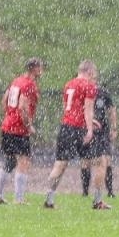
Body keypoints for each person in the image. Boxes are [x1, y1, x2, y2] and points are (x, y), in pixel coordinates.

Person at [42, 60, 106, 209]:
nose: (94, 76)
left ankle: (49, 200)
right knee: (100, 162)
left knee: (60, 165)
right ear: (89, 71)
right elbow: (88, 109)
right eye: (94, 73)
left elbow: (67, 108)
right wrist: (89, 129)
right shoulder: (89, 86)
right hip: (80, 129)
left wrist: (88, 121)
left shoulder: (69, 84)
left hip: (66, 127)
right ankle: (97, 201)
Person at [0, 57, 45, 204]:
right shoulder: (29, 84)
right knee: (24, 161)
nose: (41, 70)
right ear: (34, 69)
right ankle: (19, 199)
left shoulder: (17, 81)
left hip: (7, 126)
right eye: (40, 67)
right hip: (18, 129)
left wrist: (9, 115)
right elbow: (23, 106)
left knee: (9, 161)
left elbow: (4, 100)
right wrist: (28, 125)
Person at [80, 81, 118, 199]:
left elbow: (112, 110)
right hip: (86, 129)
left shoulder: (103, 93)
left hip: (102, 131)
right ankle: (85, 192)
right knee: (85, 160)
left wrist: (114, 128)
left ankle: (110, 191)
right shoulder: (82, 92)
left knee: (106, 159)